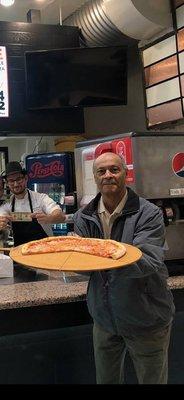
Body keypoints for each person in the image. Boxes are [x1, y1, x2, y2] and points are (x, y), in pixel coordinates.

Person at [73, 152, 175, 385]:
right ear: (95, 178)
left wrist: (95, 254)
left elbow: (148, 260)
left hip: (146, 317)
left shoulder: (148, 213)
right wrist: (70, 256)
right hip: (104, 319)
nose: (108, 175)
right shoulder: (83, 216)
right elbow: (84, 267)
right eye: (101, 171)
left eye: (114, 169)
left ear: (125, 175)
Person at [0, 161, 66, 246]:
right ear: (8, 183)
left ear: (26, 178)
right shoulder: (7, 205)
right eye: (11, 181)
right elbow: (1, 216)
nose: (15, 184)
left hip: (45, 249)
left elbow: (61, 217)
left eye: (19, 179)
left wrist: (49, 218)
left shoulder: (41, 198)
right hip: (20, 252)